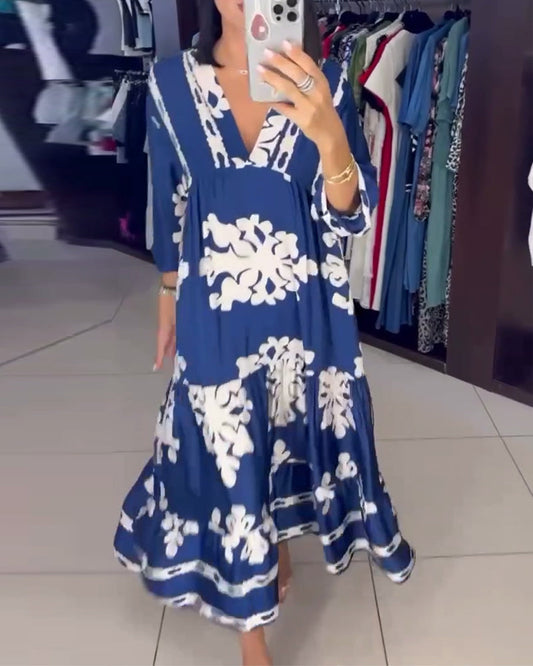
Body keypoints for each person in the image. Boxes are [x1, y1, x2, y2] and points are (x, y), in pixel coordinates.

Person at [114, 1, 414, 664]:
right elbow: (169, 198)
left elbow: (350, 214)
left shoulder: (324, 79)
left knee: (283, 433)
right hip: (215, 315)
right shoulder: (169, 85)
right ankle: (251, 632)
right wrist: (167, 293)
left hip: (306, 316)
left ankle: (275, 541)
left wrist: (330, 138)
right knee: (225, 449)